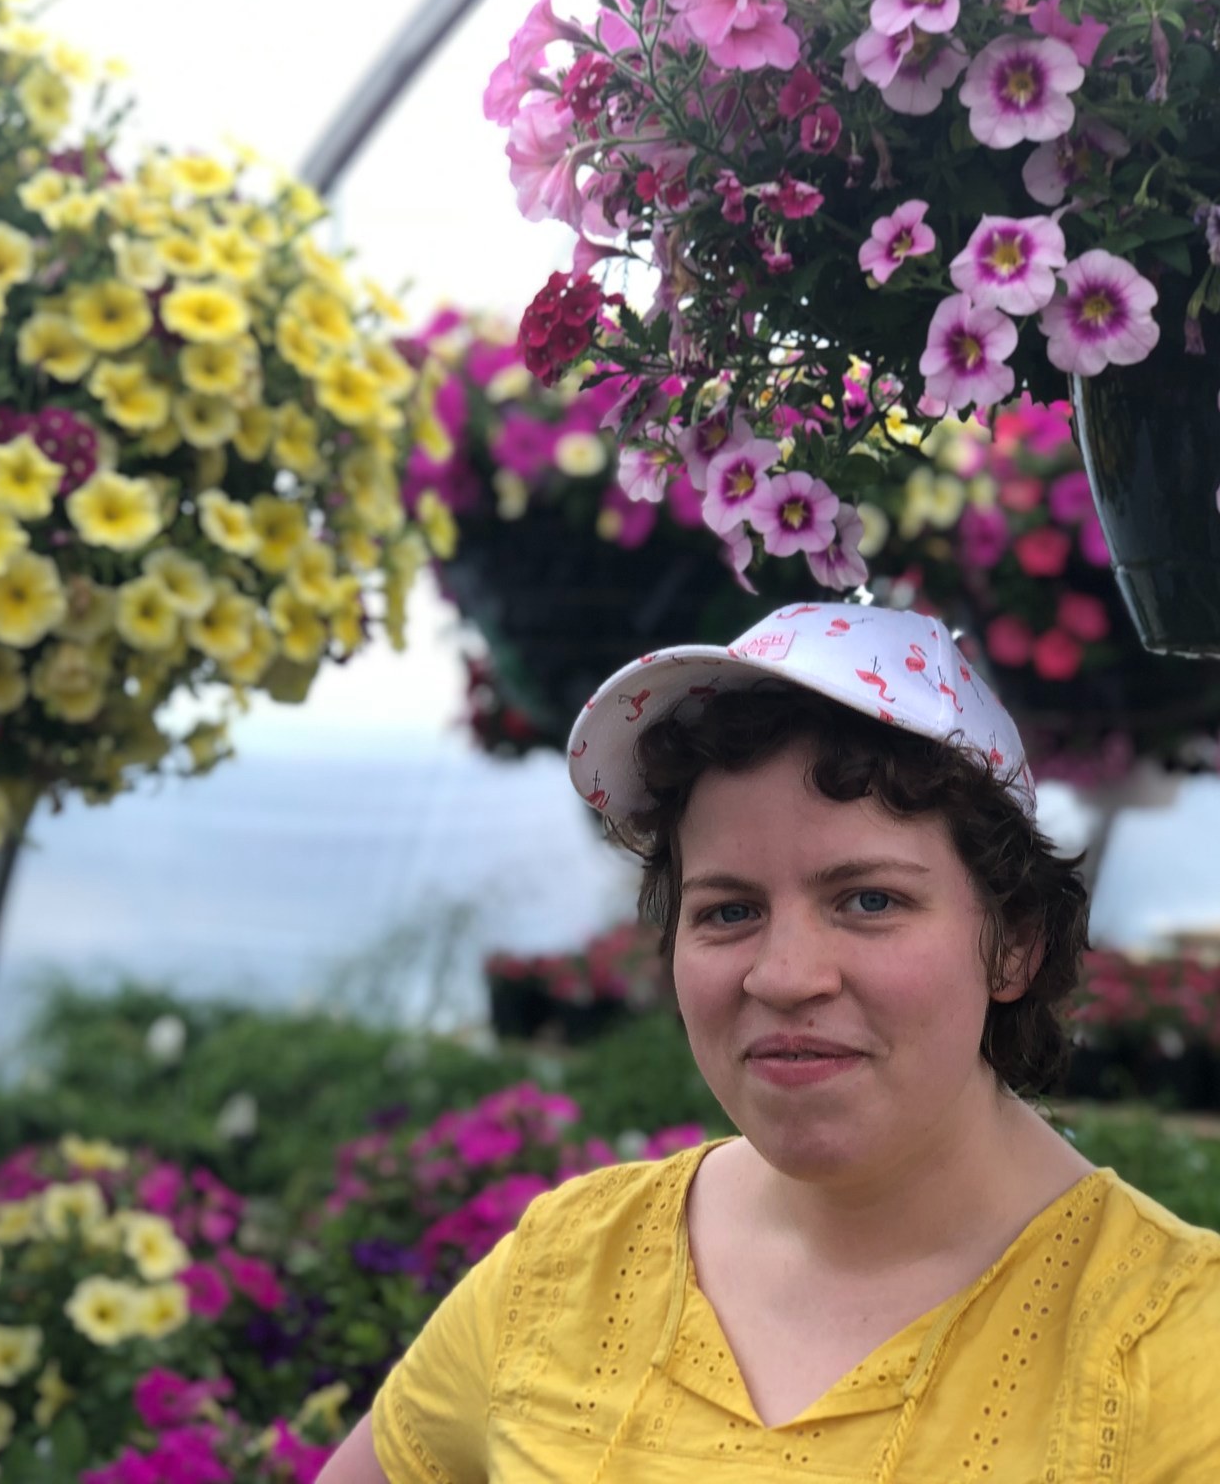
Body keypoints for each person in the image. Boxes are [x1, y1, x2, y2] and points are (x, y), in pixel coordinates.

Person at [318, 601, 1220, 1484]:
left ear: (1015, 942)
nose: (785, 975)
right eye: (729, 911)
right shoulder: (565, 1267)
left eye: (869, 900)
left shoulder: (1178, 1354)